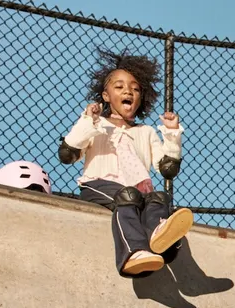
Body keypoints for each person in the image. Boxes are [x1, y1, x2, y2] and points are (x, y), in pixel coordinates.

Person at [58, 49, 192, 277]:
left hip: (137, 191)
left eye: (135, 89)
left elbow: (168, 169)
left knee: (159, 198)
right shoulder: (97, 124)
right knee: (128, 196)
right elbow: (67, 154)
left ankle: (159, 238)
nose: (128, 91)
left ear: (141, 98)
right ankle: (133, 253)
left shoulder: (146, 131)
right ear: (106, 96)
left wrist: (172, 135)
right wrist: (88, 121)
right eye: (119, 87)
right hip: (98, 184)